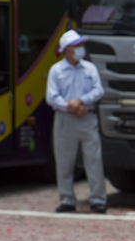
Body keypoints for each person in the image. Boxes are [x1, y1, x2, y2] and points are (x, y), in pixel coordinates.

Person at [45, 29, 106, 214]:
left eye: (80, 45)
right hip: (65, 119)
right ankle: (67, 199)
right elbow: (51, 97)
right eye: (76, 46)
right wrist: (71, 107)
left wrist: (82, 101)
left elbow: (98, 91)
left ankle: (98, 199)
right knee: (64, 161)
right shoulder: (56, 70)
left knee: (94, 160)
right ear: (67, 50)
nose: (80, 49)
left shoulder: (89, 68)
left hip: (86, 118)